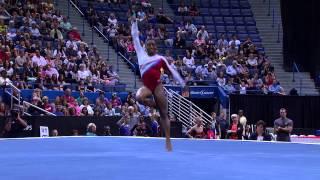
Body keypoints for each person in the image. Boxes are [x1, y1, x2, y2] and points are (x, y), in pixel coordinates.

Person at [131, 16, 185, 151]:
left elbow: (172, 71)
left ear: (156, 47)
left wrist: (182, 83)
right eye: (149, 45)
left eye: (154, 45)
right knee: (138, 97)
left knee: (164, 114)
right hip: (148, 87)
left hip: (158, 86)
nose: (152, 47)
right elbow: (135, 37)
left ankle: (168, 139)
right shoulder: (141, 54)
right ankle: (155, 105)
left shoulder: (160, 58)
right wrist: (134, 22)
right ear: (146, 47)